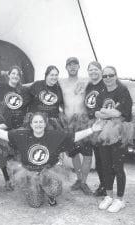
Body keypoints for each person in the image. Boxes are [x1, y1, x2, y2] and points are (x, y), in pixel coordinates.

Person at [0, 112, 104, 208]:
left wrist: (92, 129)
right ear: (31, 124)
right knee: (35, 204)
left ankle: (50, 194)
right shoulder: (21, 135)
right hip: (29, 171)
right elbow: (3, 134)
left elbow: (73, 137)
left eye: (40, 122)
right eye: (35, 122)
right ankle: (37, 189)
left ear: (45, 123)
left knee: (55, 190)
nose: (38, 124)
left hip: (49, 170)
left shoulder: (54, 135)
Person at [94, 66, 133, 213]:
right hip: (104, 134)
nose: (108, 78)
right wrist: (109, 112)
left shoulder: (122, 91)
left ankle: (120, 199)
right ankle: (109, 196)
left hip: (119, 134)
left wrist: (105, 112)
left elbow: (122, 113)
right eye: (105, 76)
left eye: (111, 75)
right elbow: (97, 112)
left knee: (118, 167)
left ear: (116, 75)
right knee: (106, 166)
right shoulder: (102, 93)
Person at [58, 57, 93, 195]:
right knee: (74, 154)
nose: (72, 67)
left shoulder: (86, 81)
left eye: (75, 65)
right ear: (66, 68)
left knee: (87, 154)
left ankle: (84, 182)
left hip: (83, 122)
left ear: (79, 67)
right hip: (68, 123)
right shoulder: (61, 82)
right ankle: (79, 180)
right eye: (70, 65)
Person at [0, 65, 30, 190]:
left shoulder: (23, 91)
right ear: (8, 75)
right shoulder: (0, 87)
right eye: (13, 73)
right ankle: (8, 180)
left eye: (18, 74)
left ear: (20, 77)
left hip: (19, 127)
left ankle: (19, 179)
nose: (15, 76)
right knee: (5, 155)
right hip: (4, 126)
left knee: (18, 155)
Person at [84, 61, 106, 196]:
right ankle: (103, 185)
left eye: (96, 70)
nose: (93, 72)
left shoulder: (105, 84)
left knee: (103, 158)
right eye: (91, 70)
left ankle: (105, 186)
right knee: (97, 158)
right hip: (90, 125)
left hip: (102, 125)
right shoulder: (88, 86)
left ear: (101, 71)